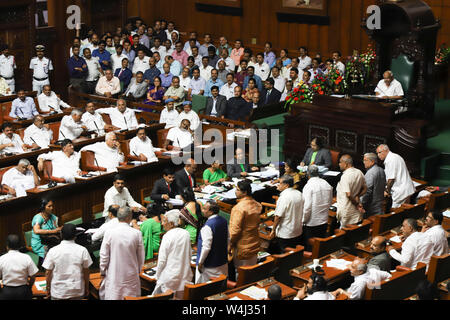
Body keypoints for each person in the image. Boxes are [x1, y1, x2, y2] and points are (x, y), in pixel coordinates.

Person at [100, 207, 145, 300]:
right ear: (130, 217)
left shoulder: (109, 233)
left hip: (114, 274)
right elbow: (141, 257)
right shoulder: (136, 233)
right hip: (131, 274)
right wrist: (138, 270)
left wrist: (103, 271)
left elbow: (104, 256)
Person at [42, 224, 92, 300]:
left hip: (58, 292)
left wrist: (48, 288)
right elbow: (86, 271)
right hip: (77, 291)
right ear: (75, 236)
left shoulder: (53, 251)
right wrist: (87, 287)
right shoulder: (82, 250)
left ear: (61, 235)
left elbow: (48, 272)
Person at [153, 210, 192, 299]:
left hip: (170, 278)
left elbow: (162, 260)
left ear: (171, 224)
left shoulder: (167, 236)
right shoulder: (186, 233)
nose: (162, 224)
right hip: (184, 275)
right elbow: (189, 254)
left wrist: (158, 276)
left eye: (164, 221)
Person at [229, 180, 262, 274]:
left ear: (244, 192)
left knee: (241, 273)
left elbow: (235, 231)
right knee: (252, 271)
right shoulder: (257, 204)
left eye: (237, 189)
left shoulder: (238, 208)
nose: (235, 191)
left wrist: (229, 244)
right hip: (254, 242)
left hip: (242, 246)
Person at [196, 200, 228, 284]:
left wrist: (200, 262)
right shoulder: (224, 221)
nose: (202, 210)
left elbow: (206, 247)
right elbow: (228, 238)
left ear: (211, 212)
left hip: (210, 267)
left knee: (206, 289)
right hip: (222, 262)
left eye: (204, 209)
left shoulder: (208, 226)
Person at [270, 175, 304, 253]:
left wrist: (273, 230)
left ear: (286, 185)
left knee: (284, 255)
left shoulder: (284, 197)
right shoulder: (299, 193)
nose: (277, 184)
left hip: (285, 233)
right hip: (297, 231)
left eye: (280, 183)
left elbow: (278, 216)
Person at [302, 165, 333, 249]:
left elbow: (307, 207)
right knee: (321, 247)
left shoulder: (308, 186)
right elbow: (330, 202)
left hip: (311, 223)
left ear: (308, 174)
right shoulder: (326, 183)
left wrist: (303, 221)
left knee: (311, 248)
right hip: (324, 220)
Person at [0, 234, 38, 300]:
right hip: (23, 291)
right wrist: (29, 287)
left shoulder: (1, 259)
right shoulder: (27, 257)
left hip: (6, 292)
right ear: (20, 246)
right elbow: (33, 276)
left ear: (7, 246)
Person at [336, 155, 367, 227]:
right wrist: (357, 196)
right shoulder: (359, 172)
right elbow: (365, 188)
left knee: (345, 232)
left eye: (340, 162)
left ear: (346, 164)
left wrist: (356, 204)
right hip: (356, 211)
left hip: (347, 210)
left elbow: (348, 194)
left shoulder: (345, 176)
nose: (339, 164)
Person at [31, 199, 62, 266]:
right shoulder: (38, 218)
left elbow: (56, 228)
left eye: (52, 206)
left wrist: (59, 229)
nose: (52, 208)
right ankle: (46, 268)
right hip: (40, 243)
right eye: (49, 206)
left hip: (50, 240)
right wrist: (53, 231)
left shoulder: (52, 217)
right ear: (43, 208)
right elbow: (36, 231)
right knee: (54, 252)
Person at [360, 153, 386, 217]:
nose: (364, 162)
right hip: (379, 205)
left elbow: (367, 191)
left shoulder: (370, 173)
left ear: (372, 162)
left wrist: (361, 204)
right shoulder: (381, 170)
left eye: (365, 160)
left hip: (371, 208)